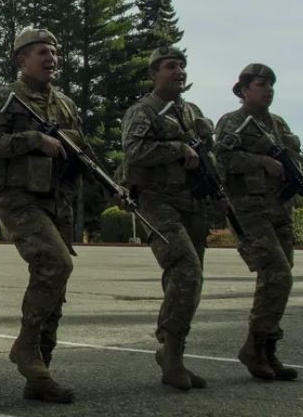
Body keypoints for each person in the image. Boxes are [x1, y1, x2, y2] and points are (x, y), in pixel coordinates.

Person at [0, 28, 110, 403]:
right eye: (40, 52)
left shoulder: (64, 104)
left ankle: (40, 373)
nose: (50, 57)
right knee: (56, 263)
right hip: (18, 198)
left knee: (56, 286)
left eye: (53, 51)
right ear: (21, 60)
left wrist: (111, 185)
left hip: (57, 201)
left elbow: (82, 151)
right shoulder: (6, 98)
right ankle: (25, 347)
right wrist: (33, 140)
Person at [121, 46, 215, 391]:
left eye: (182, 66)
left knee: (192, 279)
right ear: (153, 75)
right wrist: (177, 149)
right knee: (186, 271)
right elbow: (134, 150)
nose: (179, 71)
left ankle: (173, 351)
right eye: (170, 66)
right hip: (156, 201)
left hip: (191, 203)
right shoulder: (143, 111)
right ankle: (171, 354)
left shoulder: (192, 113)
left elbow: (207, 158)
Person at [213, 63, 301, 382]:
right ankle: (256, 348)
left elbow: (293, 162)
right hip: (249, 210)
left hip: (279, 210)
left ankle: (265, 349)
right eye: (262, 84)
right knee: (277, 275)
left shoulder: (278, 124)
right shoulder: (233, 122)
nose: (268, 90)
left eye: (271, 85)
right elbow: (220, 158)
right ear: (244, 89)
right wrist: (260, 161)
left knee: (279, 278)